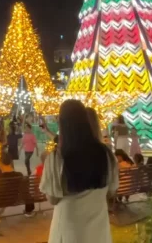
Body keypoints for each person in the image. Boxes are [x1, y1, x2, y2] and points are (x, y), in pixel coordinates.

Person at [40, 99, 118, 243]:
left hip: (69, 229)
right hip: (98, 228)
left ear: (62, 124)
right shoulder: (106, 154)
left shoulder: (57, 158)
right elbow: (111, 190)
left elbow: (52, 198)